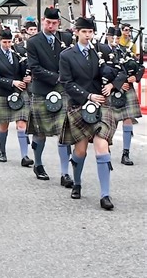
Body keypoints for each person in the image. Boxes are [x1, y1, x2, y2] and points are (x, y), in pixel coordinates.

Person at [59, 17, 125, 210]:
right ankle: (77, 183)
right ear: (76, 32)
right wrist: (88, 96)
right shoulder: (67, 55)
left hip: (102, 105)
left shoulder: (102, 51)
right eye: (84, 32)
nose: (88, 35)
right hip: (80, 104)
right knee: (80, 150)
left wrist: (113, 85)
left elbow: (121, 70)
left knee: (102, 147)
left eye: (90, 32)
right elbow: (67, 83)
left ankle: (105, 195)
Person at [26, 7, 74, 187]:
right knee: (40, 133)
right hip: (42, 90)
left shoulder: (66, 38)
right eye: (48, 22)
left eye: (54, 23)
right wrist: (57, 77)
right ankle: (38, 164)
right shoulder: (33, 42)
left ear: (59, 23)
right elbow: (34, 67)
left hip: (62, 91)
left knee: (64, 132)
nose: (51, 26)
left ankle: (65, 173)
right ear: (42, 20)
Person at [0, 28, 33, 166]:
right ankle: (2, 151)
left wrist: (27, 77)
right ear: (0, 41)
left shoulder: (17, 55)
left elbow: (24, 70)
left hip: (19, 93)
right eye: (5, 42)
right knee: (3, 126)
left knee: (22, 124)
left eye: (9, 42)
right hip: (4, 93)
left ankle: (25, 156)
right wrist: (12, 82)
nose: (7, 45)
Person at [109, 27, 143, 165]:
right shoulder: (100, 52)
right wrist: (117, 84)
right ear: (107, 36)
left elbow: (139, 67)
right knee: (110, 122)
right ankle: (105, 150)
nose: (115, 41)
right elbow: (100, 73)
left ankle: (126, 153)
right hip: (110, 90)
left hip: (127, 90)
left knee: (128, 119)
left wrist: (135, 76)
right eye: (113, 38)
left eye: (117, 38)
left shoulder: (125, 50)